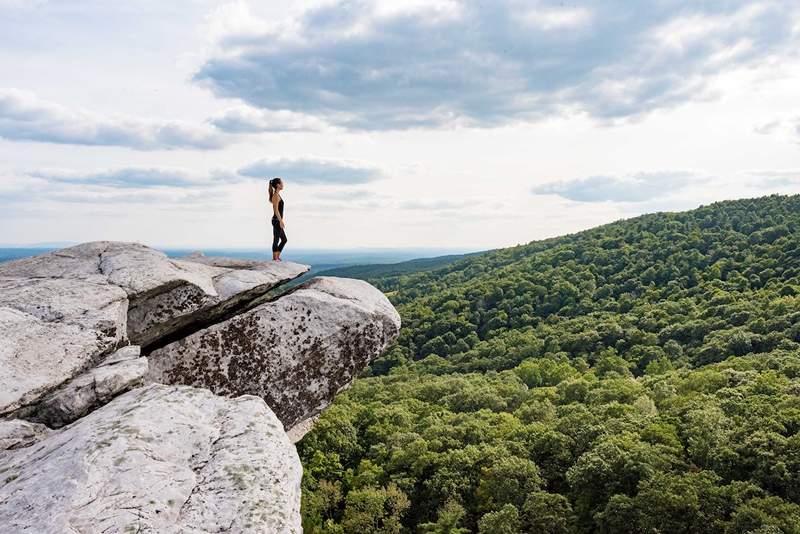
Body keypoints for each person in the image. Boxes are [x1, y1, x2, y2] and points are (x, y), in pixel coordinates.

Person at [268, 177, 287, 261]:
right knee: (277, 239)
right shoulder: (276, 196)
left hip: (276, 220)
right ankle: (275, 258)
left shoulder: (277, 195)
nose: (283, 184)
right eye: (281, 183)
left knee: (284, 239)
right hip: (276, 220)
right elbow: (275, 210)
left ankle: (276, 257)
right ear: (277, 185)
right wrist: (281, 221)